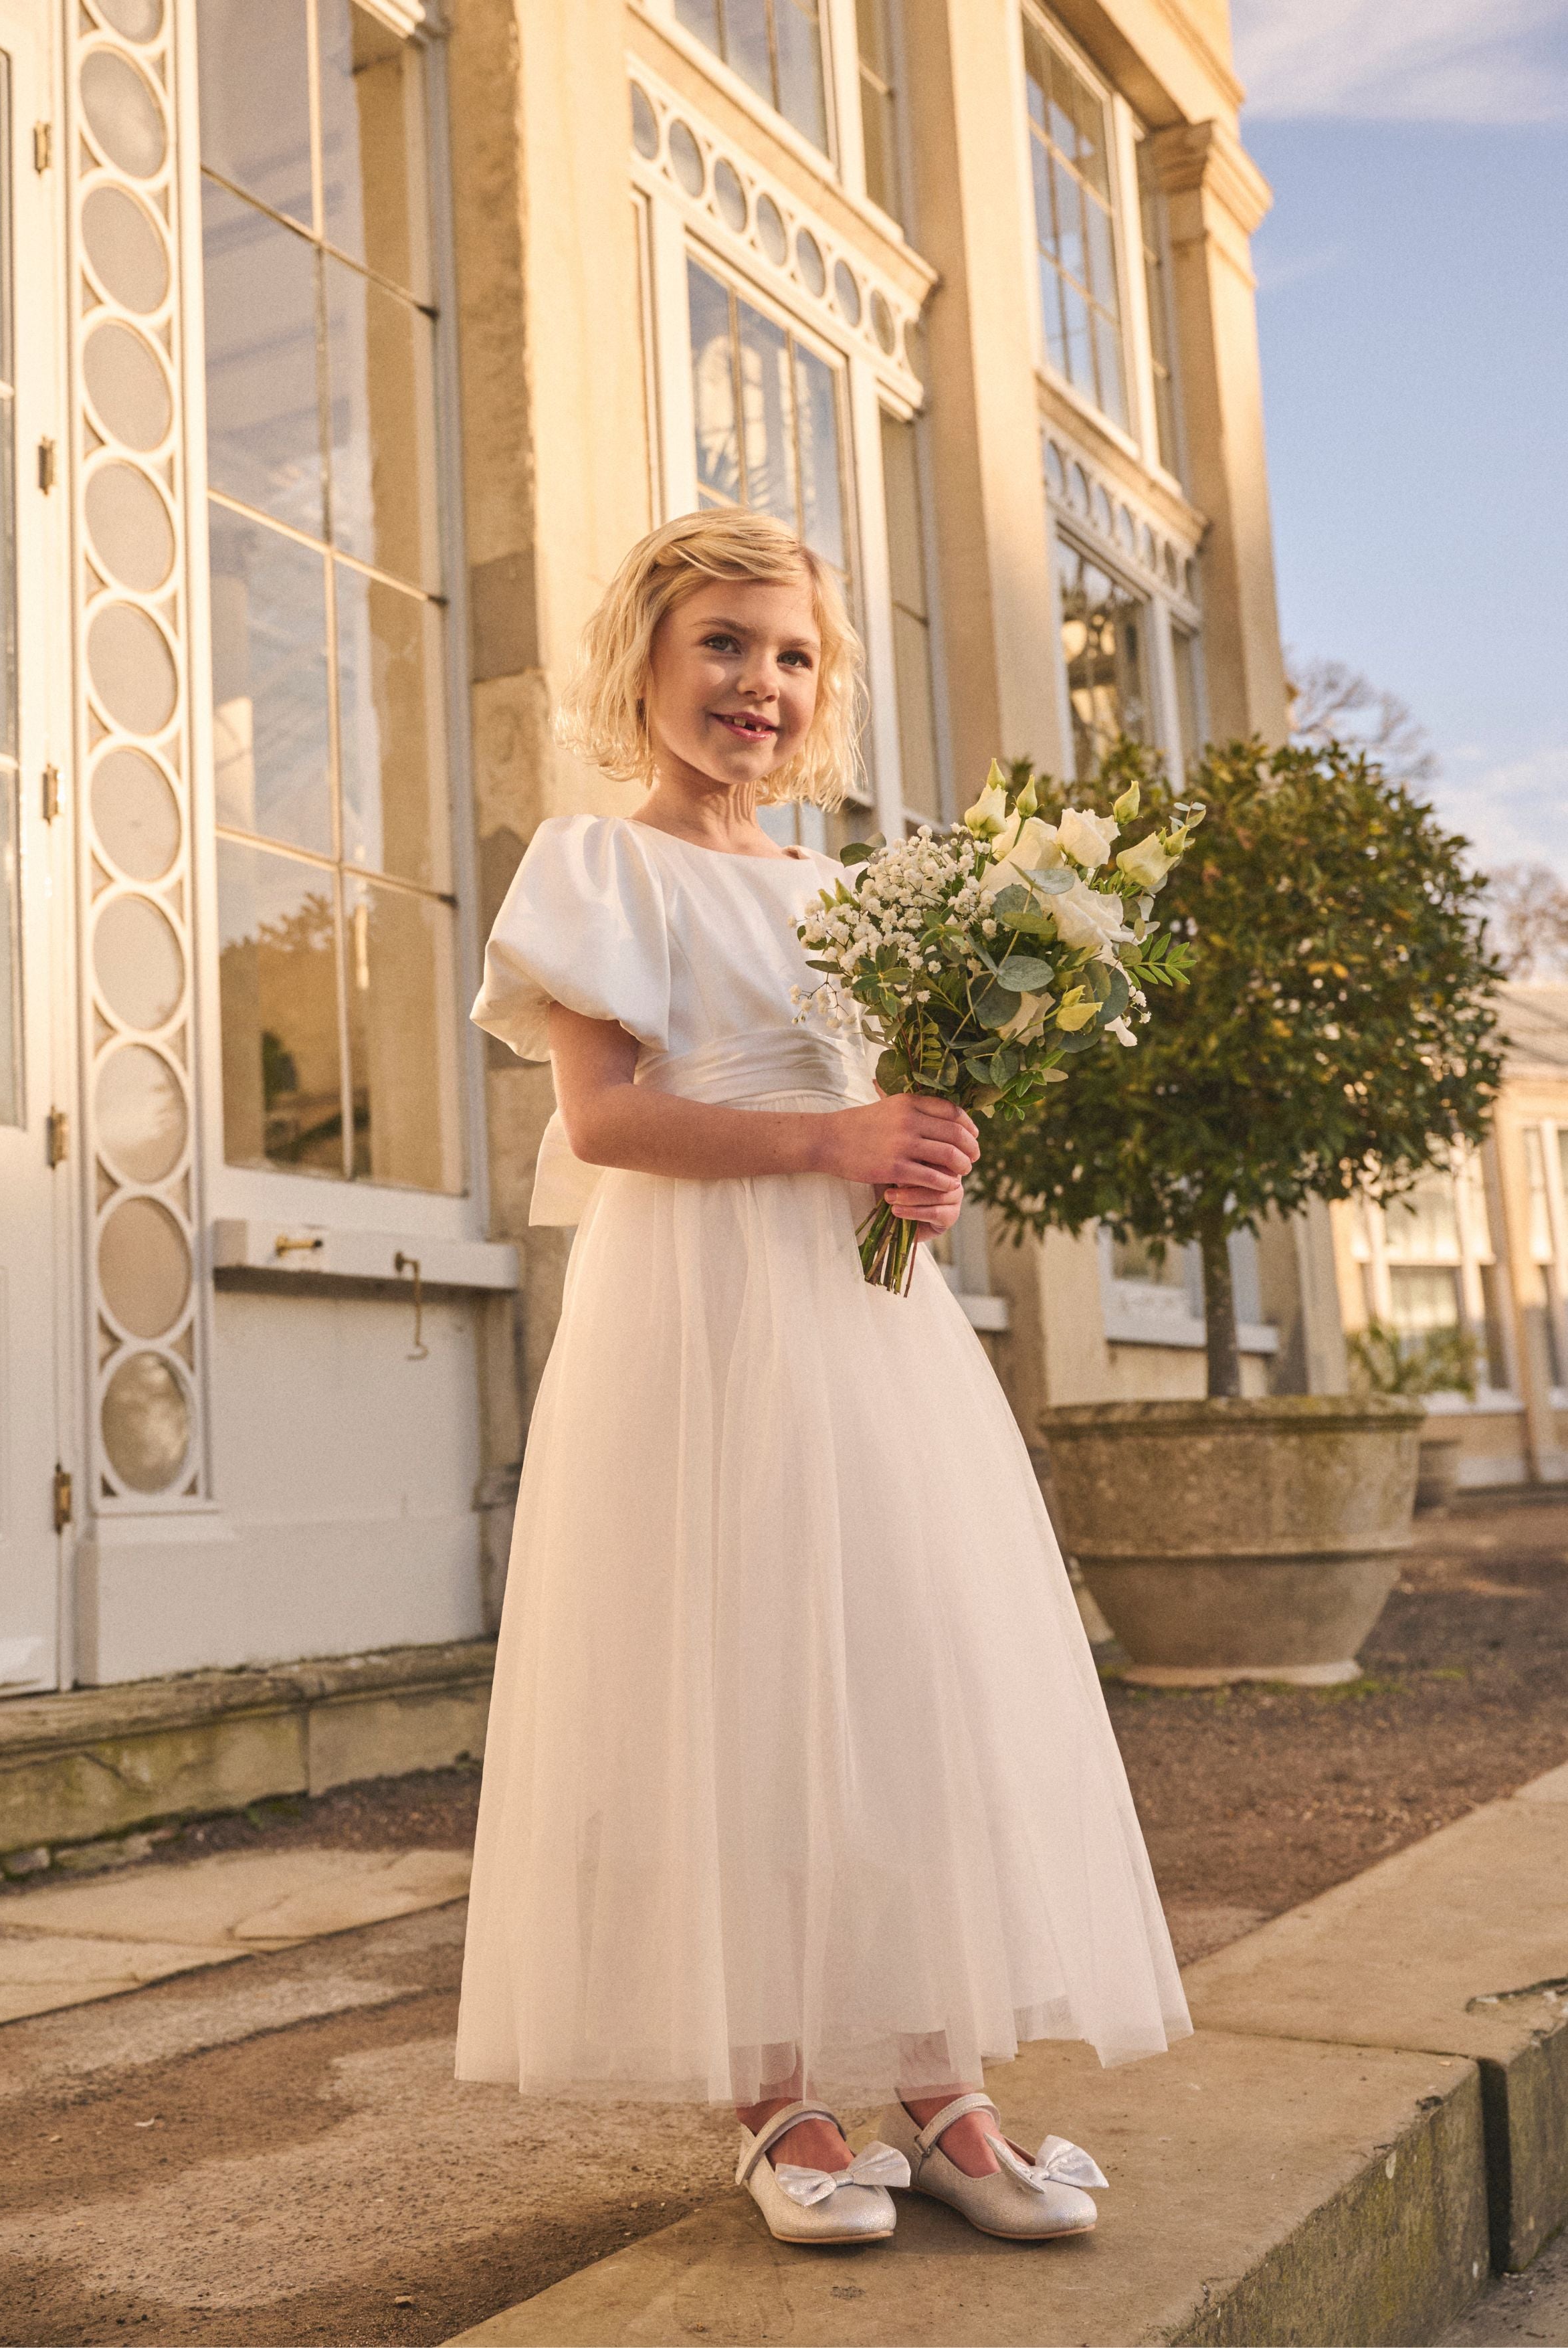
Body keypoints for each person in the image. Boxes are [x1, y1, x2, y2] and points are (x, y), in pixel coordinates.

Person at [458, 509, 1190, 2247]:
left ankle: (941, 2088)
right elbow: (606, 1118)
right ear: (643, 658)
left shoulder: (853, 895)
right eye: (721, 644)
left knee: (904, 1665)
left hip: (865, 1336)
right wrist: (833, 1137)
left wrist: (921, 1163)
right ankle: (779, 2097)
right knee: (740, 1674)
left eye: (790, 657)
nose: (757, 686)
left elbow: (879, 1116)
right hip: (695, 1328)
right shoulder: (596, 866)